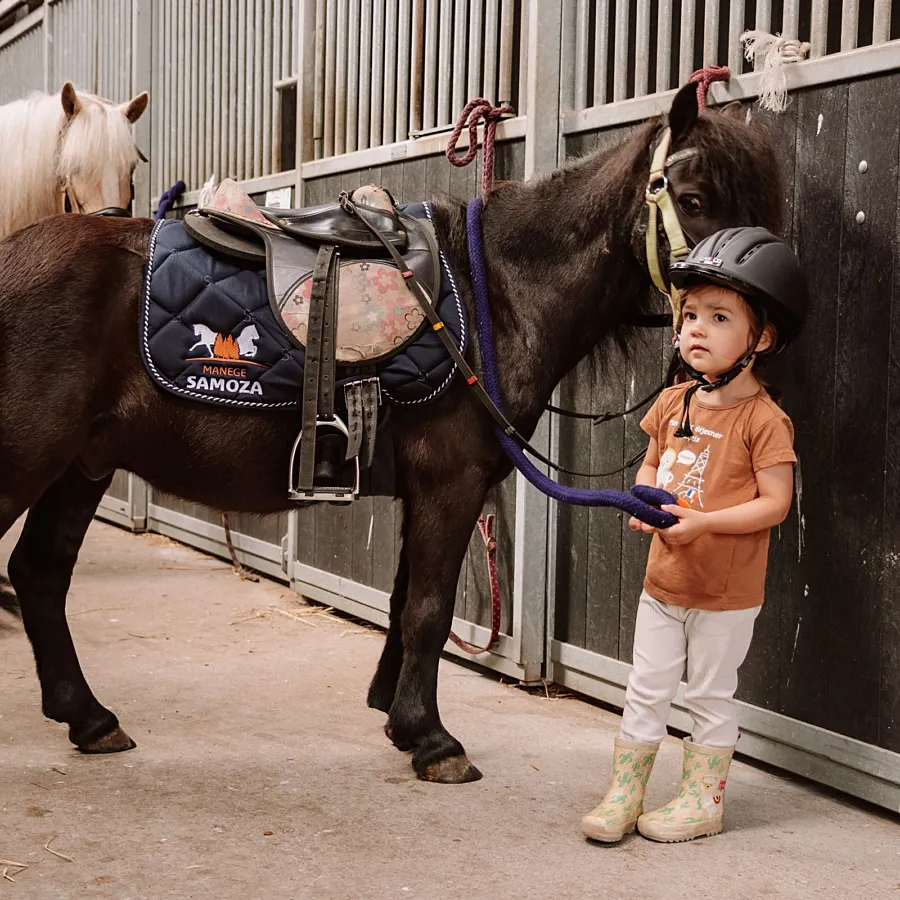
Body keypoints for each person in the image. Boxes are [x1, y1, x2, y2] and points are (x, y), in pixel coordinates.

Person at [581, 226, 808, 844]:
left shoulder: (764, 420)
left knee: (709, 694)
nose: (695, 330)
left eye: (717, 316)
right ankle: (625, 791)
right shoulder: (676, 401)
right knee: (645, 688)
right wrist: (642, 495)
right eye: (688, 316)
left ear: (761, 337)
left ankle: (703, 800)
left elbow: (775, 504)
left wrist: (705, 521)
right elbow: (653, 461)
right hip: (664, 581)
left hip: (724, 595)